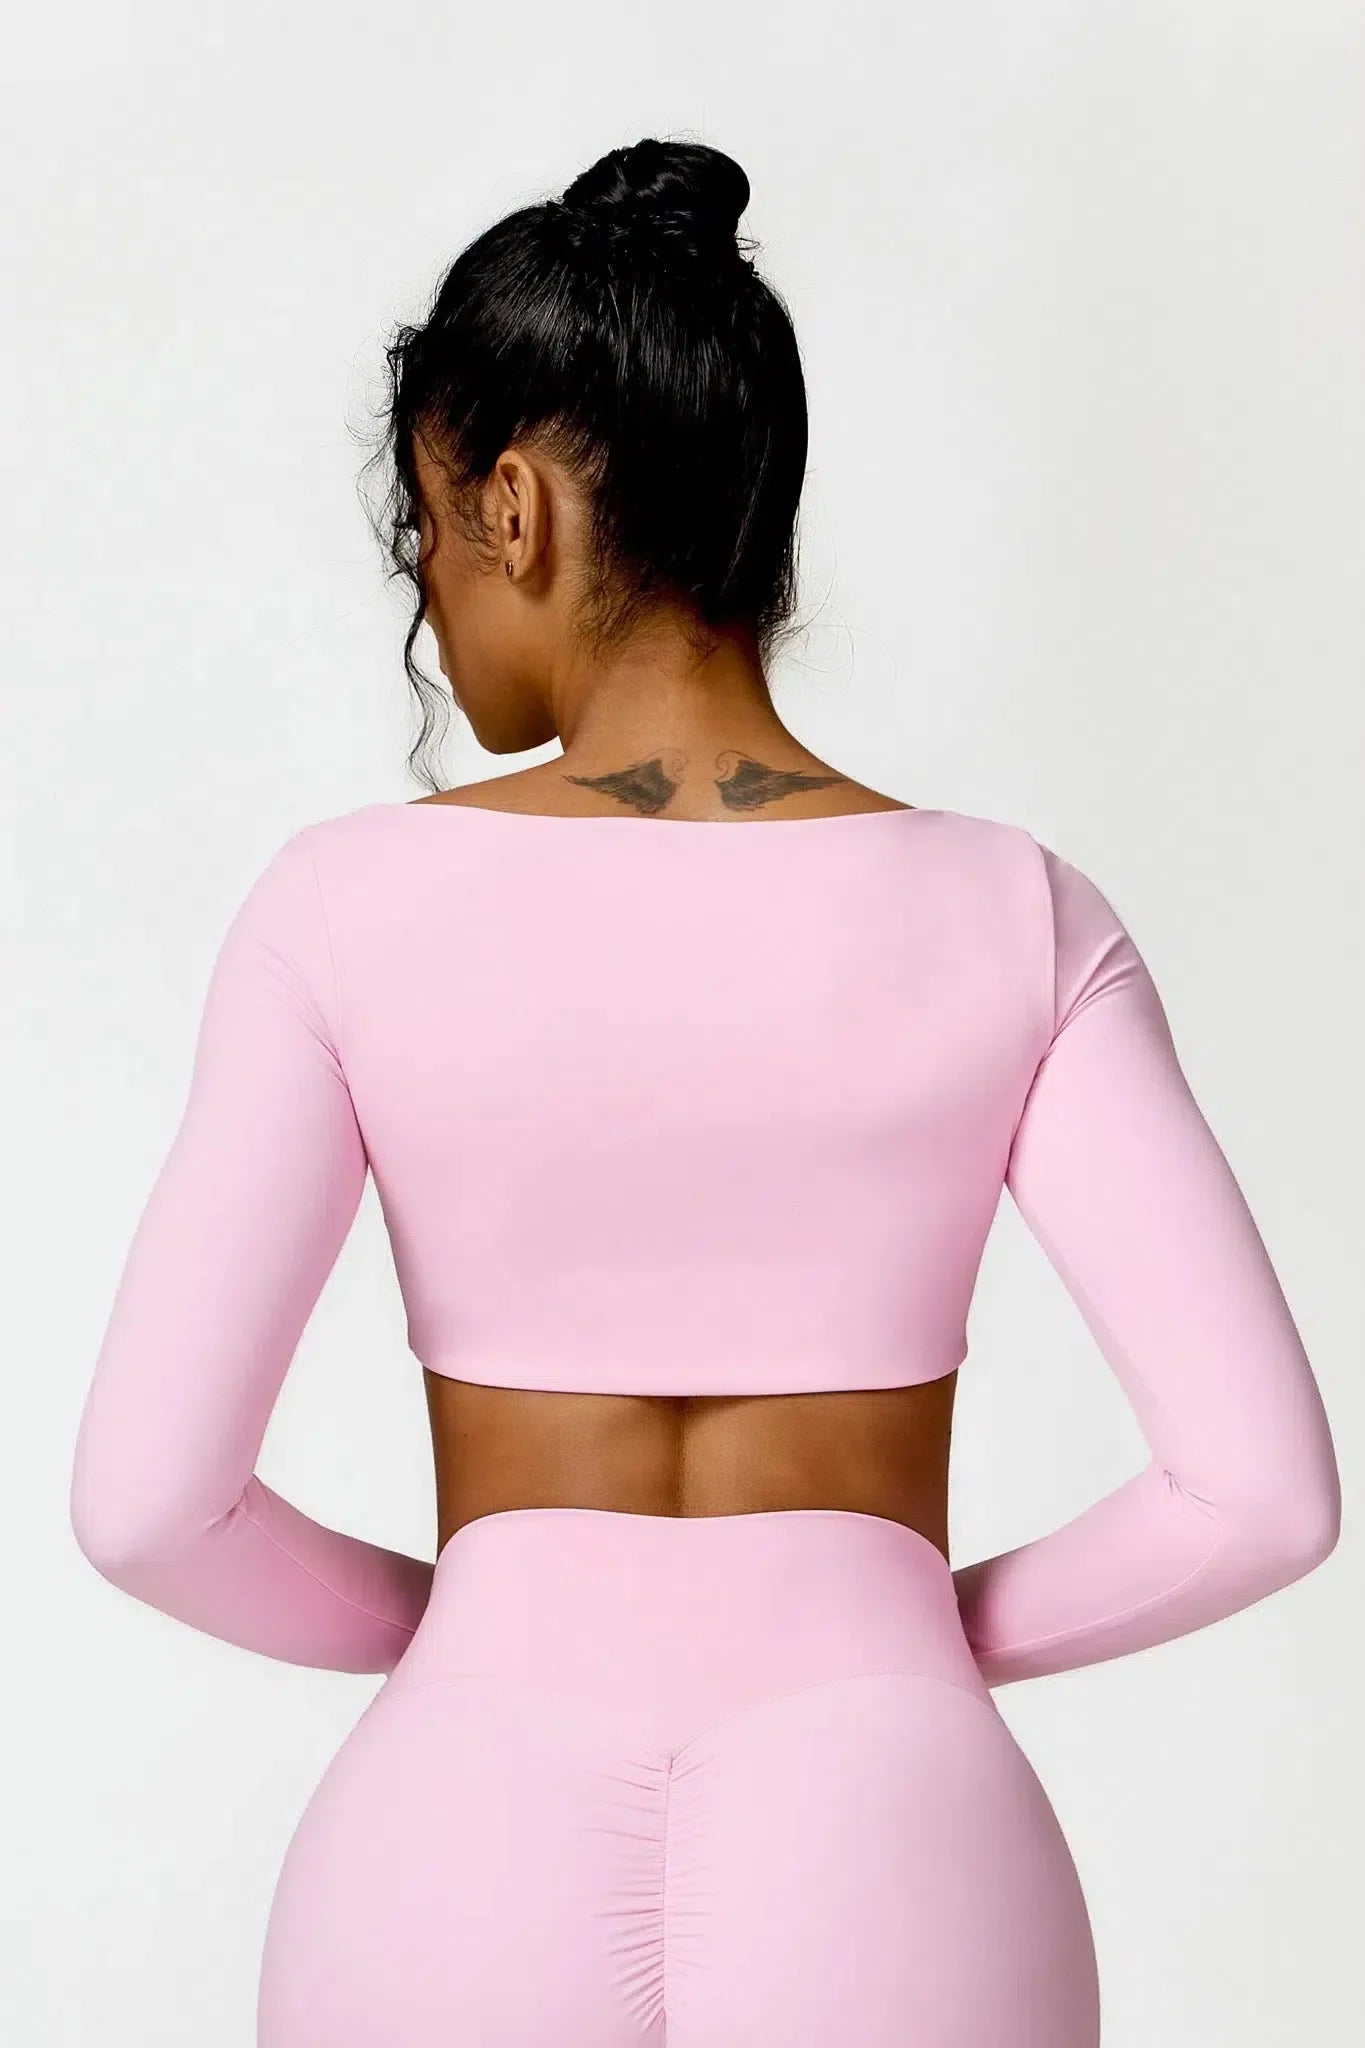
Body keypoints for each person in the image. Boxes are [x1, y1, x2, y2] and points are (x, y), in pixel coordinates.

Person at [70, 137, 1341, 2048]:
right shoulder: (1016, 912)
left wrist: (485, 1618)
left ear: (512, 508)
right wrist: (892, 1633)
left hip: (459, 1829)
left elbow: (147, 1509)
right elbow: (1259, 1497)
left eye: (424, 535)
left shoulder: (338, 907)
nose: (428, 599)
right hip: (897, 1829)